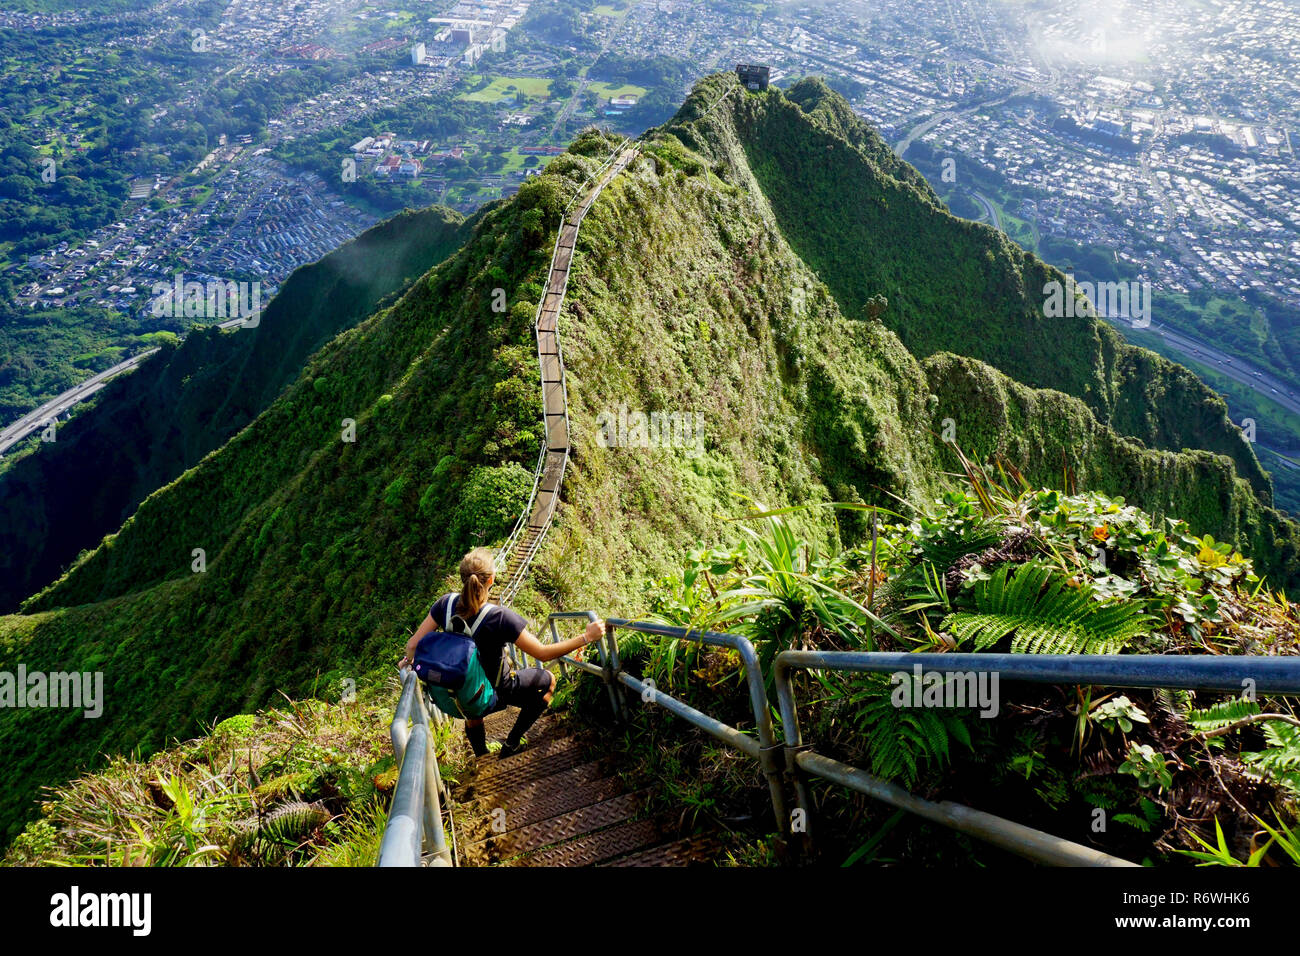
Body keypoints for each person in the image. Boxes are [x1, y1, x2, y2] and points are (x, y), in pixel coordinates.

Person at [400, 547, 606, 758]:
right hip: (498, 692)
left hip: (458, 695)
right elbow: (542, 654)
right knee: (549, 682)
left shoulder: (445, 604)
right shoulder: (500, 618)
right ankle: (512, 742)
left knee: (470, 694)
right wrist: (586, 637)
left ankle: (481, 756)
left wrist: (407, 661)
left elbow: (413, 645)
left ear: (462, 578)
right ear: (491, 580)